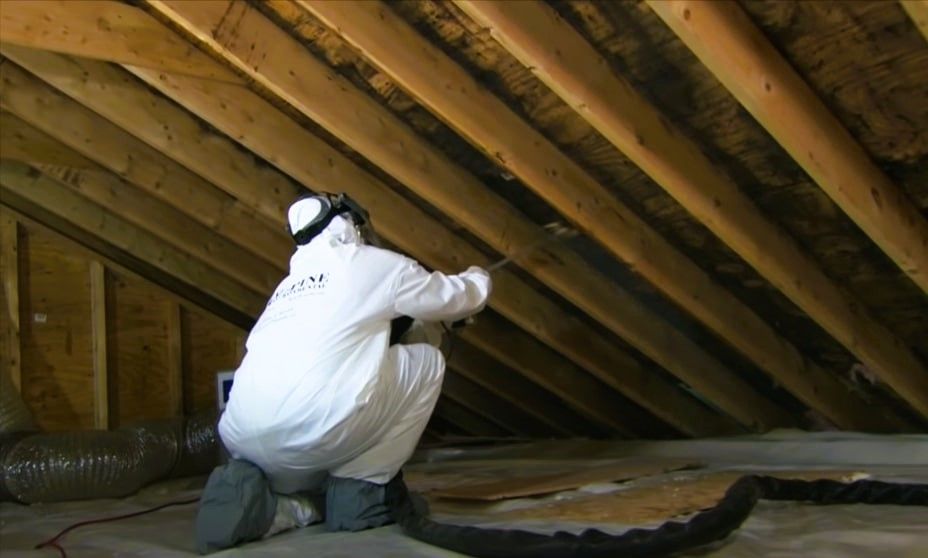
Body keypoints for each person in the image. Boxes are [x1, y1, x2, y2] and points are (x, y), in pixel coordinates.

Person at [195, 193, 492, 553]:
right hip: (314, 434)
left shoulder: (287, 287)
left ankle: (273, 505)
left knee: (318, 437)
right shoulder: (367, 263)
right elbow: (457, 298)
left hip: (242, 442)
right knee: (427, 362)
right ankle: (362, 492)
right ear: (347, 224)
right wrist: (479, 277)